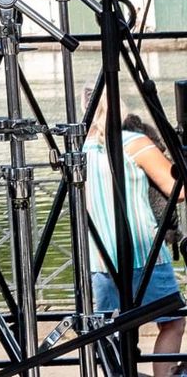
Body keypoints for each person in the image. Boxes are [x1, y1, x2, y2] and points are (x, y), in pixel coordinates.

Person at [85, 81, 186, 377]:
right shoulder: (134, 143)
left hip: (101, 259)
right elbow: (178, 190)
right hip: (144, 253)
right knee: (173, 321)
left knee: (111, 331)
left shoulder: (80, 150)